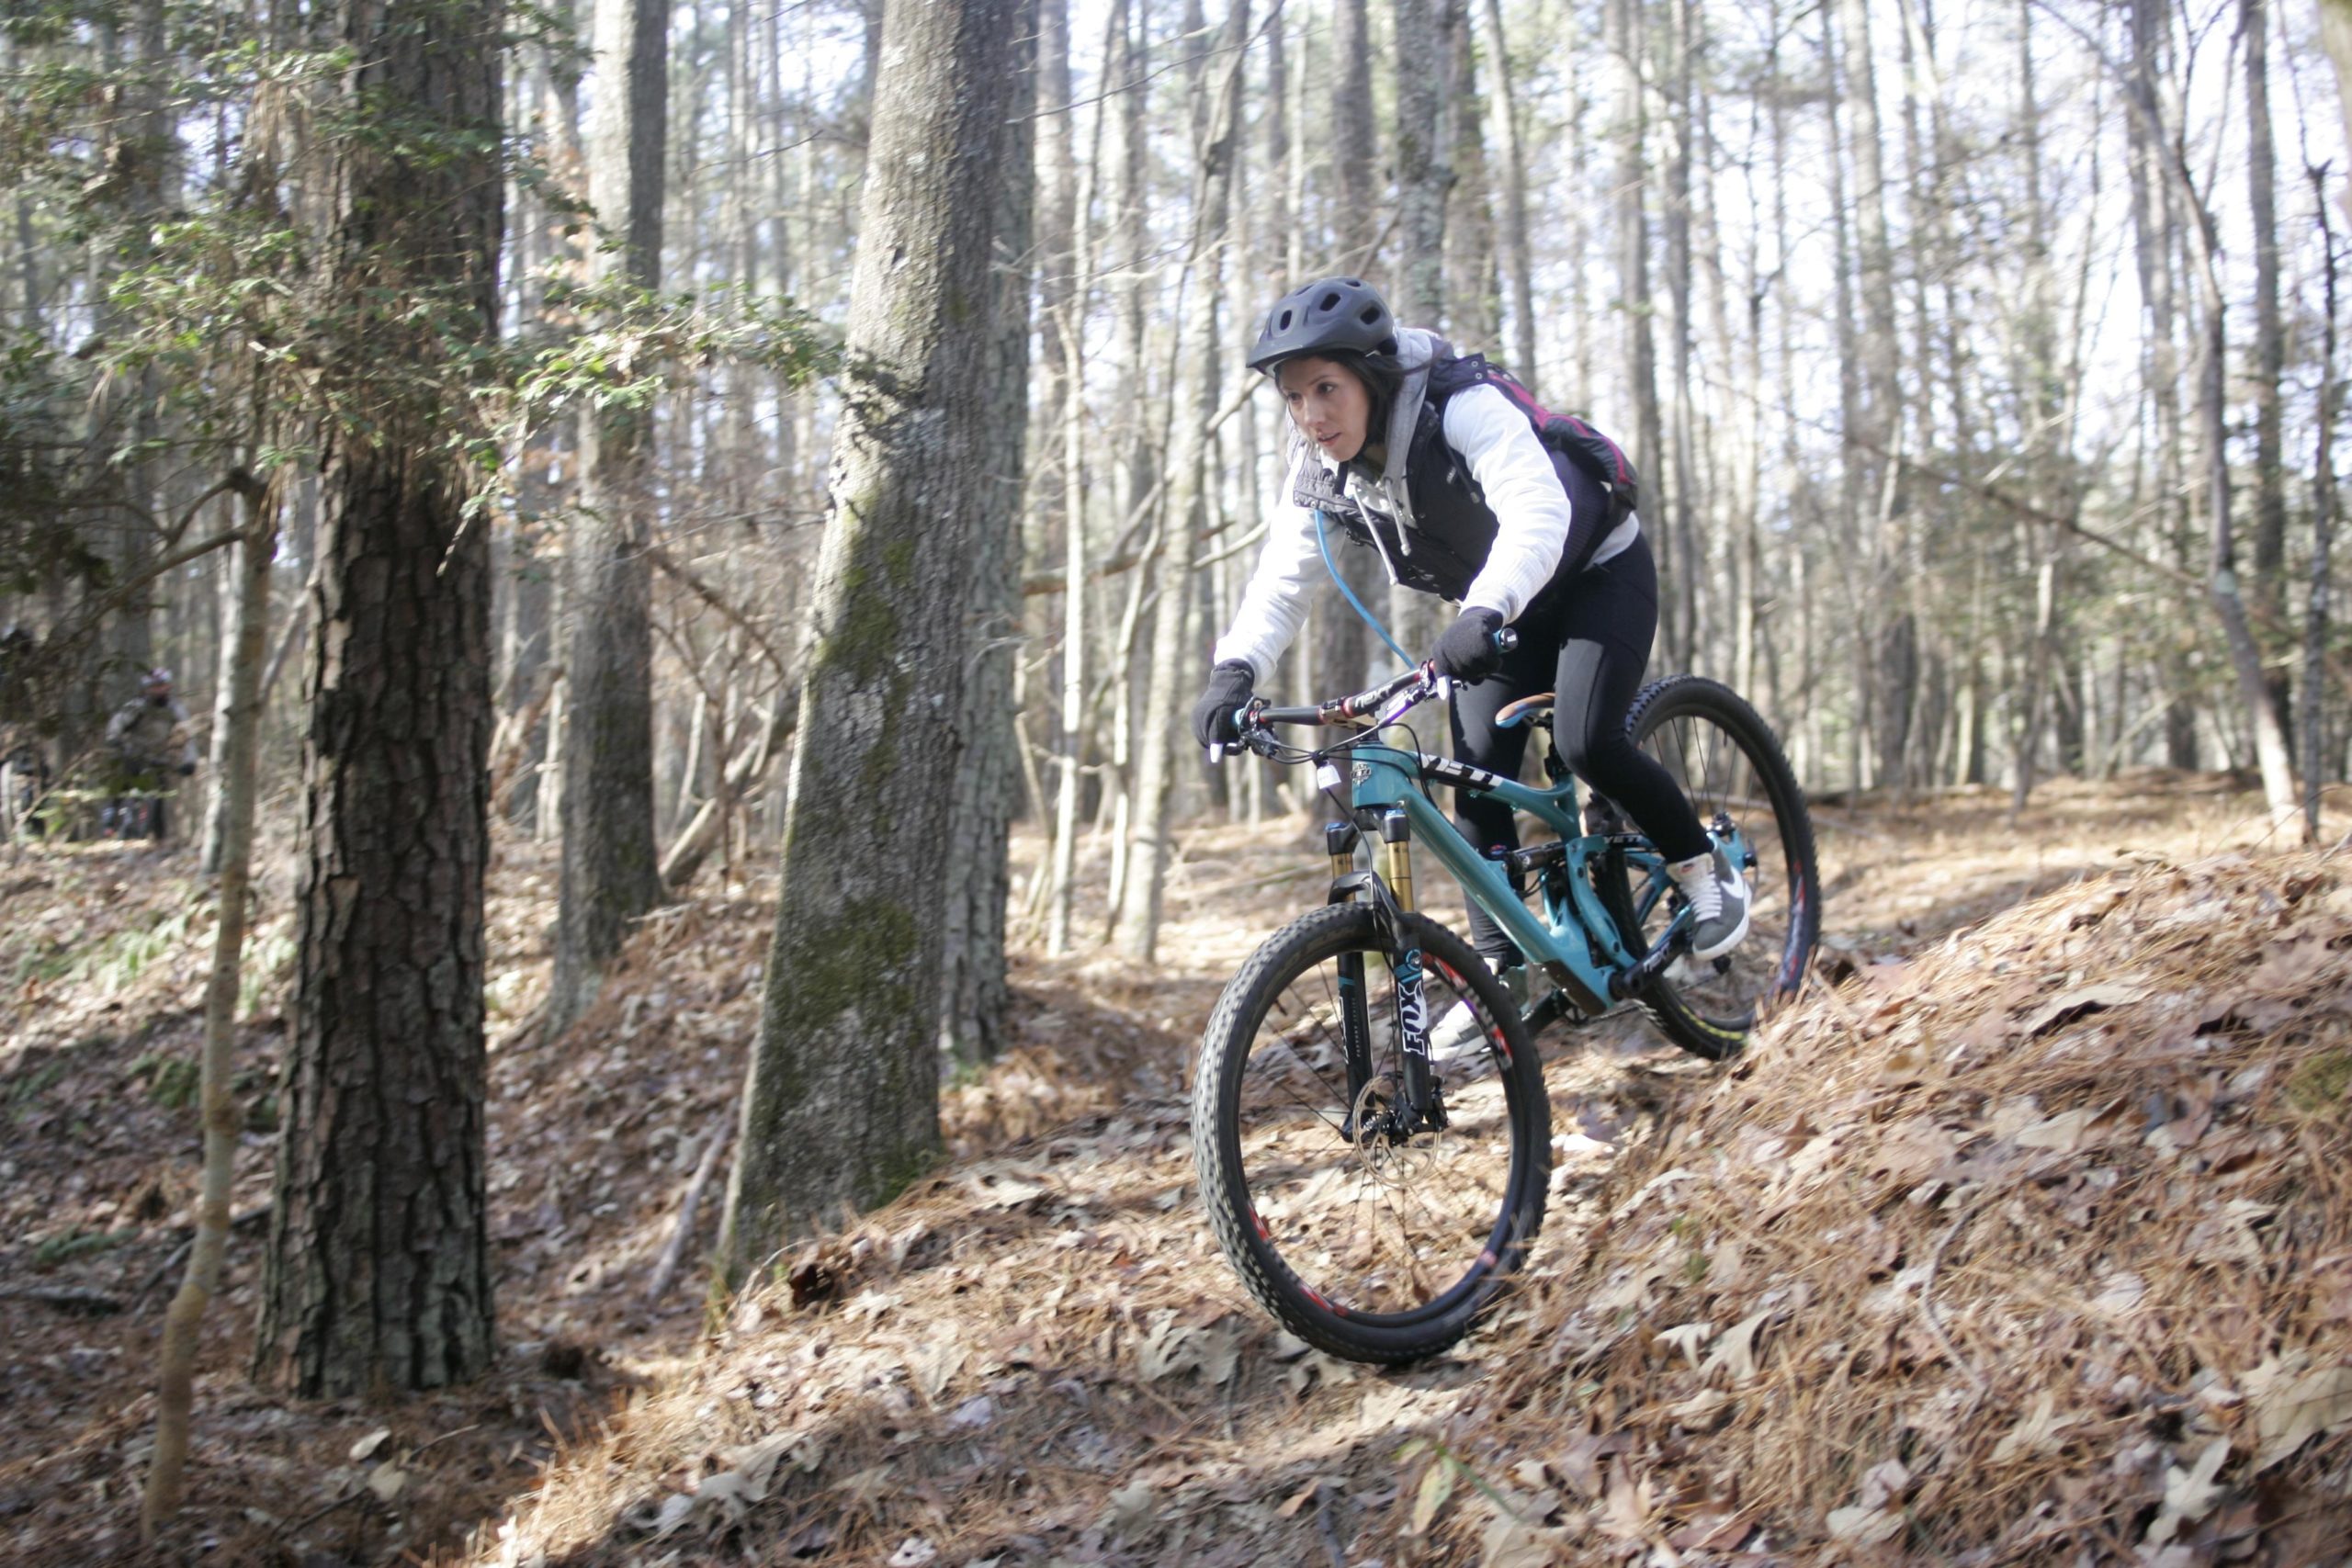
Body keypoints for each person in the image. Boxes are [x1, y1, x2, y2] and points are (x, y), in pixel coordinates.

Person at [1190, 276, 1747, 1052]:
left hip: (1593, 572)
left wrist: (1483, 611)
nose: (1312, 415)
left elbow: (1537, 508)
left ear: (1371, 377)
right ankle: (1500, 971)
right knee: (1473, 783)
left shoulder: (1461, 406)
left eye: (1326, 388)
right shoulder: (1318, 475)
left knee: (1589, 741)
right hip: (1501, 611)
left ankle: (1701, 868)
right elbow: (1281, 585)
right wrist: (1235, 672)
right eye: (1293, 398)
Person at [103, 666, 197, 839]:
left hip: (160, 758)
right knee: (120, 783)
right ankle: (109, 819)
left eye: (162, 686)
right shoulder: (137, 706)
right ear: (147, 688)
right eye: (154, 687)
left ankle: (158, 838)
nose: (158, 690)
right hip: (135, 753)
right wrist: (113, 737)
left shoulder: (176, 709)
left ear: (168, 686)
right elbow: (118, 722)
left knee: (160, 797)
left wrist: (190, 761)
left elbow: (188, 737)